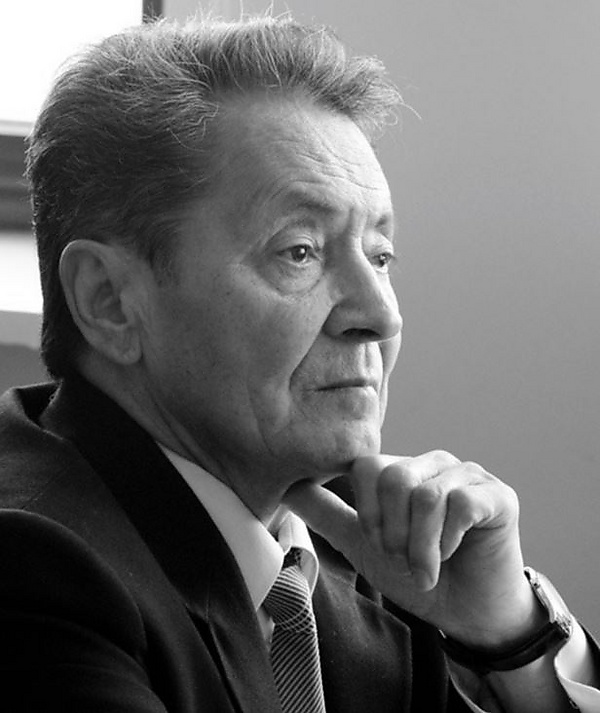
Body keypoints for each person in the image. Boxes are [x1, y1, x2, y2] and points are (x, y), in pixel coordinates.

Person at [0, 14, 598, 713]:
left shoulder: (364, 551)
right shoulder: (31, 571)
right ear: (110, 301)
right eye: (301, 251)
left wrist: (512, 636)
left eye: (380, 256)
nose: (381, 316)